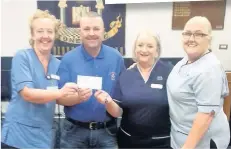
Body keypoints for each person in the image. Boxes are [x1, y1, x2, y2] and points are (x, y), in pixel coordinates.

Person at [1, 9, 78, 149]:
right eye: (40, 31)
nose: (45, 36)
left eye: (50, 31)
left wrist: (80, 97)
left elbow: (60, 99)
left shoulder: (58, 64)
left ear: (55, 35)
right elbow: (27, 94)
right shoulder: (22, 57)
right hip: (18, 136)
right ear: (32, 34)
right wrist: (61, 92)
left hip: (43, 137)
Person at [57, 11, 125, 148]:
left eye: (96, 29)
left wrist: (108, 102)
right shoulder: (68, 59)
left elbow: (122, 101)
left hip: (107, 132)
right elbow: (59, 98)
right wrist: (77, 98)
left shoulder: (116, 58)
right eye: (86, 29)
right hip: (74, 133)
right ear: (80, 32)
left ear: (103, 31)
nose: (91, 33)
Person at [94, 30, 173, 148]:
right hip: (129, 142)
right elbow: (117, 112)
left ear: (157, 51)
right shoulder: (126, 75)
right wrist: (107, 101)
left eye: (150, 46)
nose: (144, 50)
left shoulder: (169, 72)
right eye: (140, 45)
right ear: (135, 50)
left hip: (161, 143)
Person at [166, 16, 230, 149]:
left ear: (209, 39)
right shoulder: (186, 60)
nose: (191, 39)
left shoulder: (209, 69)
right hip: (181, 136)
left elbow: (205, 117)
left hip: (200, 143)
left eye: (199, 34)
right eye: (187, 33)